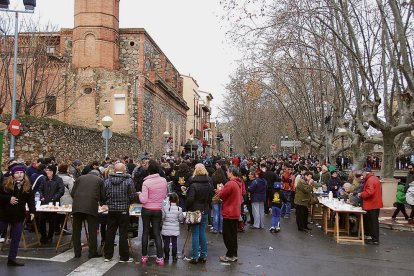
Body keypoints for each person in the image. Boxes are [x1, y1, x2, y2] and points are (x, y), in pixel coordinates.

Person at [0, 163, 36, 266]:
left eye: (21, 172)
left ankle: (12, 259)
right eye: (17, 173)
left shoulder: (27, 186)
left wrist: (33, 211)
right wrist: (8, 199)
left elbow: (31, 200)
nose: (19, 174)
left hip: (19, 216)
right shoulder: (5, 184)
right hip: (4, 215)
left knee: (16, 239)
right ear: (12, 174)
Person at [103, 163, 136, 263]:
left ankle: (108, 256)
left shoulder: (107, 180)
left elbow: (104, 194)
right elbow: (132, 195)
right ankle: (124, 257)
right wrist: (128, 203)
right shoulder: (128, 180)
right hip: (123, 209)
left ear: (114, 170)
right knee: (123, 233)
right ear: (124, 169)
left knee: (110, 232)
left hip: (111, 209)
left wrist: (108, 202)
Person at [138, 160, 168, 266]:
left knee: (145, 232)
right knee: (156, 233)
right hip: (158, 209)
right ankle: (160, 258)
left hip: (146, 209)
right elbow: (164, 196)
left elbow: (144, 199)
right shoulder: (164, 181)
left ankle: (144, 256)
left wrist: (139, 194)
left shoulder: (146, 182)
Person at [71, 169, 105, 258]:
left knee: (76, 231)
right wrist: (102, 204)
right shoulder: (100, 180)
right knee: (92, 230)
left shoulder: (80, 178)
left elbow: (72, 193)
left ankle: (77, 252)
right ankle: (92, 252)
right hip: (91, 207)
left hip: (77, 206)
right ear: (98, 175)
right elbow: (102, 196)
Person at [185, 163, 214, 264]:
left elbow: (190, 199)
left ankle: (195, 256)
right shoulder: (209, 184)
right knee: (202, 232)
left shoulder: (193, 185)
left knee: (195, 233)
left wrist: (187, 206)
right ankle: (203, 255)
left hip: (195, 210)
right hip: (205, 209)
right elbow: (211, 198)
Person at [217, 166, 245, 263]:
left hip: (229, 211)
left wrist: (220, 189)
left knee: (227, 235)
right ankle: (234, 254)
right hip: (235, 211)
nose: (226, 173)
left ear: (231, 172)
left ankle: (229, 255)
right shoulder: (238, 182)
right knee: (233, 235)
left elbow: (221, 195)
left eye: (228, 171)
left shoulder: (230, 183)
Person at [38, 164, 64, 244]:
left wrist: (54, 198)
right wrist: (41, 196)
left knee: (52, 220)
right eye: (46, 170)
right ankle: (43, 235)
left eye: (48, 170)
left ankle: (49, 236)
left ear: (53, 172)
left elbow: (61, 191)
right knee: (41, 220)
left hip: (53, 203)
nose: (47, 172)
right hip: (44, 203)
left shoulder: (58, 179)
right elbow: (40, 189)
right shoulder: (44, 179)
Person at [358, 167, 383, 245]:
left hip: (372, 204)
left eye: (363, 173)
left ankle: (375, 239)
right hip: (374, 204)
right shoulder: (374, 178)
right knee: (373, 222)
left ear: (365, 173)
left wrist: (361, 194)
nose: (362, 175)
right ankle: (373, 238)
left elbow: (370, 192)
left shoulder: (370, 180)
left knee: (373, 222)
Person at [161, 192, 183, 263]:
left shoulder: (165, 208)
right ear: (177, 200)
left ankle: (166, 257)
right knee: (174, 242)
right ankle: (174, 257)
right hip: (175, 229)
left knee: (166, 242)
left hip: (166, 229)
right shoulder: (179, 209)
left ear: (169, 200)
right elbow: (181, 219)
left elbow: (163, 217)